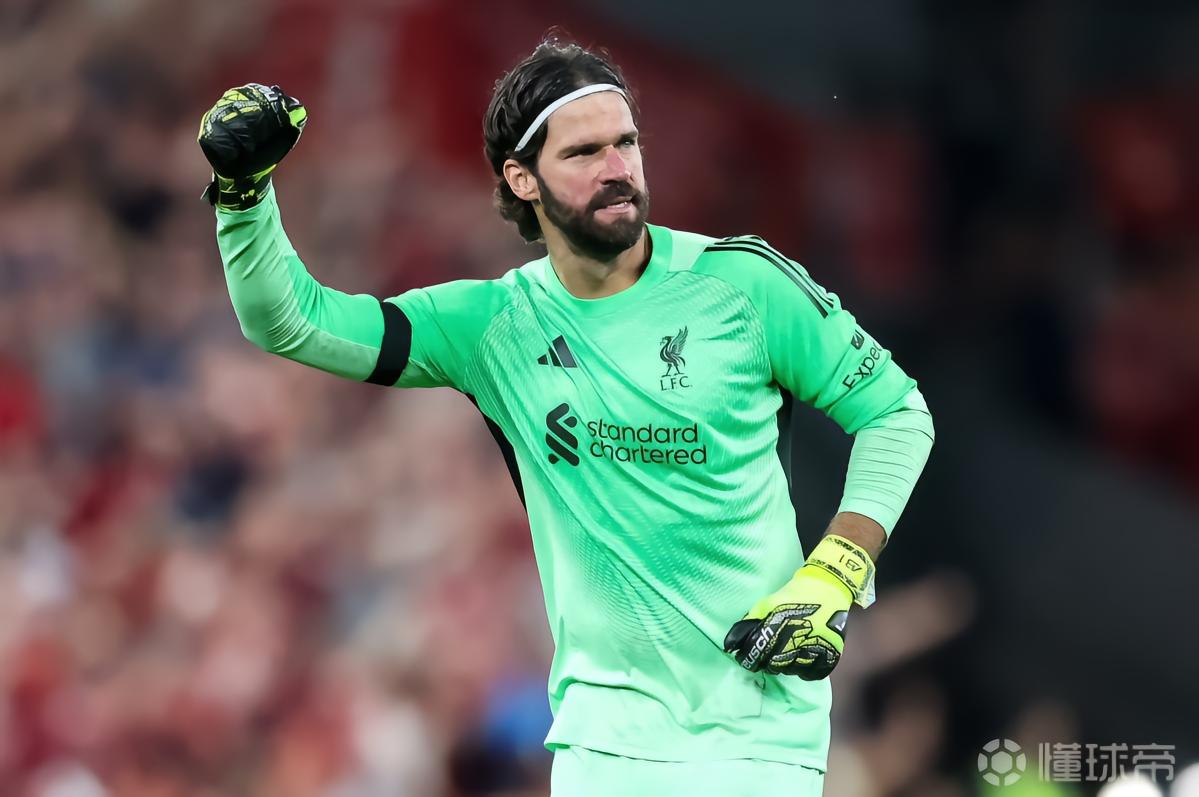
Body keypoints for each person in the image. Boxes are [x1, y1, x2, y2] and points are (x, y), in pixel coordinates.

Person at [198, 39, 934, 797]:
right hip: (598, 748)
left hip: (756, 741)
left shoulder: (741, 284)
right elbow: (293, 321)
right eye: (584, 152)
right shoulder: (495, 324)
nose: (618, 168)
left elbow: (896, 412)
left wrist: (836, 569)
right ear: (522, 179)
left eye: (626, 143)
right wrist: (241, 196)